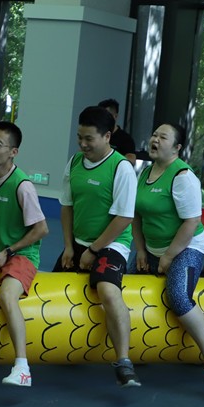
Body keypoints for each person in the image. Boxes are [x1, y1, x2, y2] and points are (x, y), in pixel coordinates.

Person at [132, 123, 204, 386]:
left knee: (177, 296)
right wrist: (140, 250)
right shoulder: (145, 172)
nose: (155, 139)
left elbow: (192, 222)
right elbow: (136, 216)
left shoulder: (183, 176)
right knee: (125, 288)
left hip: (186, 247)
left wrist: (168, 256)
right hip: (151, 248)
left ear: (177, 148)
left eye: (163, 137)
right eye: (154, 134)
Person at [55, 106, 140, 387]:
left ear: (107, 136)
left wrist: (93, 251)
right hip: (78, 243)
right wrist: (69, 246)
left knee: (107, 290)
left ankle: (123, 360)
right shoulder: (74, 162)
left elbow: (124, 218)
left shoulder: (121, 168)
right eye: (80, 137)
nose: (83, 144)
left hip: (112, 245)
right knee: (53, 289)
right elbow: (67, 206)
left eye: (89, 139)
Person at [0, 121, 49, 387]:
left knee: (6, 295)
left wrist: (10, 250)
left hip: (22, 254)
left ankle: (22, 367)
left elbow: (42, 229)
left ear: (13, 152)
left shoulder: (22, 186)